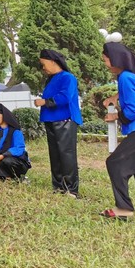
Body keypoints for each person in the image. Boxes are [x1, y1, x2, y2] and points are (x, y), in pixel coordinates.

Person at [33, 49, 83, 198]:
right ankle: (59, 186)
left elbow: (65, 97)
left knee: (66, 154)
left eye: (44, 64)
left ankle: (71, 189)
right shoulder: (52, 79)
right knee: (55, 155)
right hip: (51, 119)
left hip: (65, 119)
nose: (43, 68)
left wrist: (45, 101)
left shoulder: (68, 77)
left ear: (53, 62)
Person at [100, 42, 135, 220]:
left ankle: (124, 208)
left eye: (106, 60)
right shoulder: (132, 75)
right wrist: (115, 97)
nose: (105, 65)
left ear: (115, 59)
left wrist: (115, 116)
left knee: (115, 163)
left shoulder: (125, 77)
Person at [0, 104, 31, 181]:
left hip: (17, 160)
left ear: (3, 116)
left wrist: (1, 156)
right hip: (0, 157)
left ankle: (14, 176)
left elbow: (19, 149)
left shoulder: (16, 132)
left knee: (7, 160)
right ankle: (3, 176)